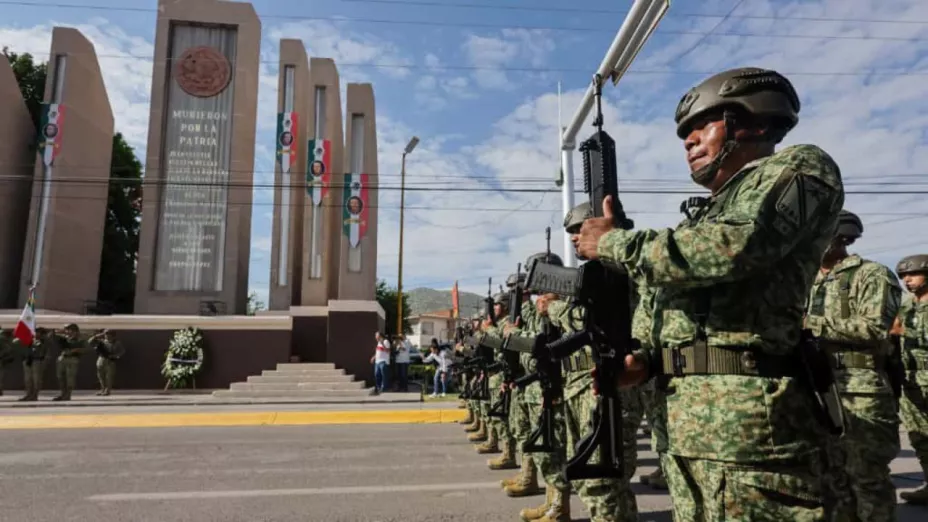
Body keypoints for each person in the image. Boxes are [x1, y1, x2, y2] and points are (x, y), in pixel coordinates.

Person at [573, 66, 845, 520]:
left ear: (754, 120)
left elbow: (733, 249)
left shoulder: (800, 166)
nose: (689, 140)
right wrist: (645, 359)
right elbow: (678, 301)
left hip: (748, 433)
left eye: (704, 124)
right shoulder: (706, 214)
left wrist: (614, 242)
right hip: (687, 426)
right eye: (686, 132)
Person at [804, 210, 901, 521]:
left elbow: (875, 327)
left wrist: (809, 324)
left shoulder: (872, 274)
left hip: (859, 387)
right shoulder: (805, 280)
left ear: (839, 236)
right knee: (829, 478)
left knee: (867, 476)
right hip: (815, 385)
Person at [894, 254, 928, 505]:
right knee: (919, 436)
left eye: (913, 275)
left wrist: (901, 330)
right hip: (912, 378)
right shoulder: (906, 305)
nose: (908, 280)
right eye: (904, 276)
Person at [54, 323, 86, 401]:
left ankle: (68, 395)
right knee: (61, 377)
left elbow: (85, 349)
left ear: (75, 331)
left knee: (70, 378)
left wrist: (74, 350)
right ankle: (63, 394)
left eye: (69, 330)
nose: (67, 331)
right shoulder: (64, 338)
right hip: (62, 358)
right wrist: (58, 332)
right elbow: (51, 336)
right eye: (67, 329)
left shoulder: (80, 339)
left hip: (72, 359)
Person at [90, 329, 126, 396]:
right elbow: (90, 341)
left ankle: (107, 390)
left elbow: (122, 351)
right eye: (106, 334)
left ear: (113, 336)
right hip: (101, 359)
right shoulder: (101, 342)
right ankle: (102, 389)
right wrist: (97, 336)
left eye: (109, 334)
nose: (107, 336)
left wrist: (115, 356)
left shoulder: (117, 343)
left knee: (109, 377)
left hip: (110, 361)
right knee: (100, 376)